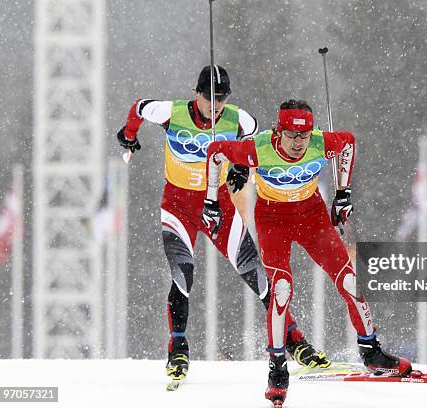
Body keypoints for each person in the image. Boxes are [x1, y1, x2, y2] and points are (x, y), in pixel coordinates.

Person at [116, 67, 329, 386]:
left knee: (257, 274)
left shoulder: (238, 119)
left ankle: (295, 342)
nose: (215, 105)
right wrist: (129, 136)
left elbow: (257, 139)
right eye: (209, 98)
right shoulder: (171, 112)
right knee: (182, 273)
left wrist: (241, 168)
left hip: (219, 209)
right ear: (196, 93)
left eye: (222, 98)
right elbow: (139, 107)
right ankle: (178, 349)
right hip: (179, 207)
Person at [202, 99, 413, 406]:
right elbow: (215, 152)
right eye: (291, 135)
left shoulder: (319, 142)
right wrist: (210, 200)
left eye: (304, 136)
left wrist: (343, 193)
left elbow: (349, 143)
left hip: (311, 216)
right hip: (273, 219)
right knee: (282, 289)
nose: (299, 143)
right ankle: (277, 368)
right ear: (278, 130)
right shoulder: (257, 148)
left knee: (350, 281)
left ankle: (371, 352)